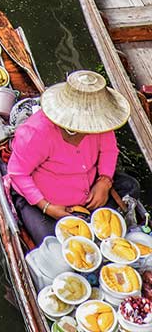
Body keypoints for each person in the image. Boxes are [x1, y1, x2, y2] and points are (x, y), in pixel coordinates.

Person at [7, 69, 138, 245]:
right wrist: (47, 207)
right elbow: (18, 174)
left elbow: (109, 150)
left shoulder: (100, 124)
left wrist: (104, 181)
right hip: (48, 202)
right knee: (50, 241)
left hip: (90, 190)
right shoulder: (36, 133)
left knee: (131, 186)